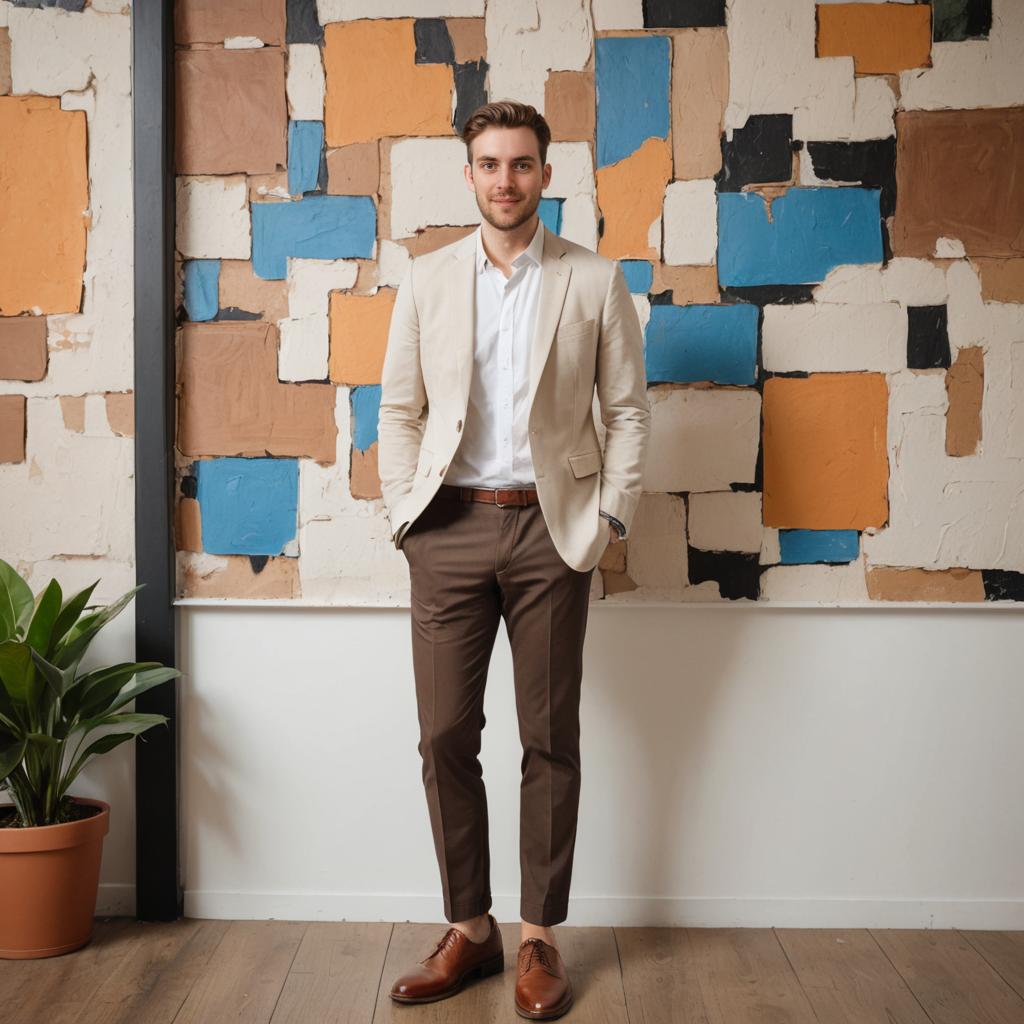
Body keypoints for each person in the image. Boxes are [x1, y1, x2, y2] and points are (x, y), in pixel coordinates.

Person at [378, 99, 650, 1020]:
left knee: (548, 738)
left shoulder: (593, 279)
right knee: (445, 736)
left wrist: (608, 519)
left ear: (546, 173)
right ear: (469, 176)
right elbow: (400, 409)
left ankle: (538, 935)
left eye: (522, 164)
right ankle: (470, 927)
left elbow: (626, 413)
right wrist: (403, 512)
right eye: (490, 165)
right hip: (447, 529)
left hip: (551, 531)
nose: (506, 181)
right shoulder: (425, 279)